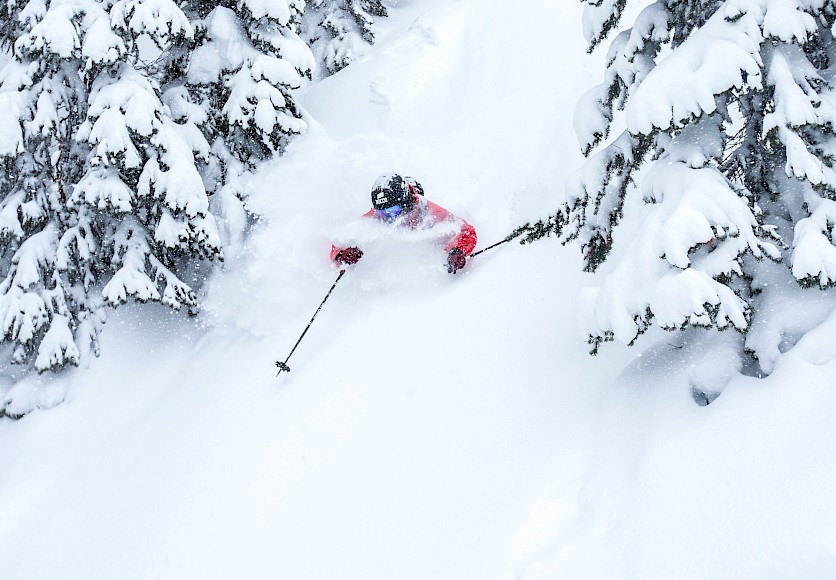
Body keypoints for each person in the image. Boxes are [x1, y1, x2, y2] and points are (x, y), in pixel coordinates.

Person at [331, 173, 477, 273]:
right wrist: (343, 256)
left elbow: (466, 231)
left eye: (393, 211)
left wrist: (457, 251)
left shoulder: (429, 211)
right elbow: (340, 241)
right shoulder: (376, 216)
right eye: (383, 212)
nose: (389, 217)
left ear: (406, 202)